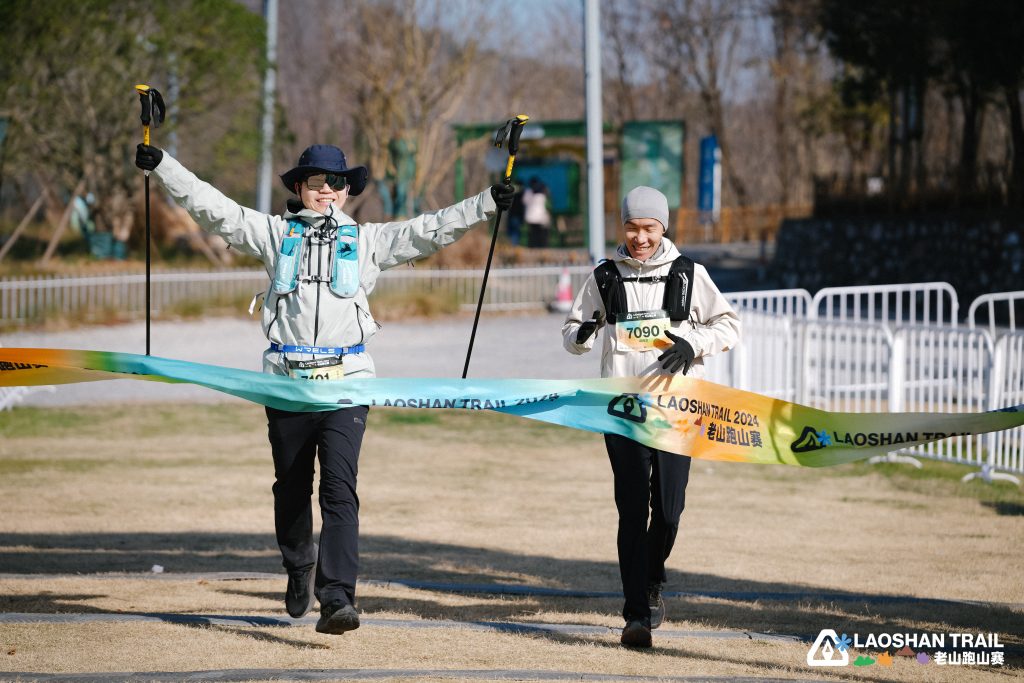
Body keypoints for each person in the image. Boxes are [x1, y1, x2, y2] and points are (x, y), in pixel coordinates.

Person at [135, 142, 513, 634]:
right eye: (315, 183)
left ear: (347, 190)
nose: (326, 191)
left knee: (340, 488)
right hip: (287, 384)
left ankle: (337, 598)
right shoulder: (273, 234)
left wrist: (487, 200)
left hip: (347, 385)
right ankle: (298, 566)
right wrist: (163, 165)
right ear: (299, 187)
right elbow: (212, 207)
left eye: (335, 183)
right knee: (291, 487)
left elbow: (431, 228)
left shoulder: (370, 240)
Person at [561, 186, 740, 649]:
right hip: (621, 411)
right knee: (630, 510)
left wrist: (692, 344)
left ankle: (653, 577)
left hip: (678, 411)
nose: (640, 237)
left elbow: (729, 325)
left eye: (649, 228)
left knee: (669, 510)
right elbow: (571, 333)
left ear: (663, 228)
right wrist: (582, 332)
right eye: (632, 227)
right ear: (623, 227)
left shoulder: (688, 274)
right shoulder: (603, 276)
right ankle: (635, 614)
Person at [523, 176, 551, 248]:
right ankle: (540, 246)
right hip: (540, 217)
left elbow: (524, 201)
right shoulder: (542, 192)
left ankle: (533, 246)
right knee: (540, 233)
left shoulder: (528, 192)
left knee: (533, 233)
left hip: (531, 217)